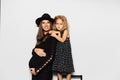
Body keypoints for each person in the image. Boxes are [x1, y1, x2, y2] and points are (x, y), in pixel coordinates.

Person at [29, 13, 57, 80]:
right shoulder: (40, 37)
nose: (46, 25)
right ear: (41, 25)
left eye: (48, 23)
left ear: (50, 24)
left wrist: (38, 69)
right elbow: (35, 52)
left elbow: (51, 57)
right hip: (35, 73)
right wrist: (35, 50)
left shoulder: (52, 37)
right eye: (43, 23)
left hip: (44, 72)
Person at [50, 15, 75, 80]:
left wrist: (55, 35)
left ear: (64, 24)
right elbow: (50, 32)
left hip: (66, 52)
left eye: (61, 24)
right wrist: (56, 32)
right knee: (58, 68)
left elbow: (62, 40)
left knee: (68, 69)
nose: (58, 25)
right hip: (59, 52)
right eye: (57, 23)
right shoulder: (57, 31)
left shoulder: (65, 31)